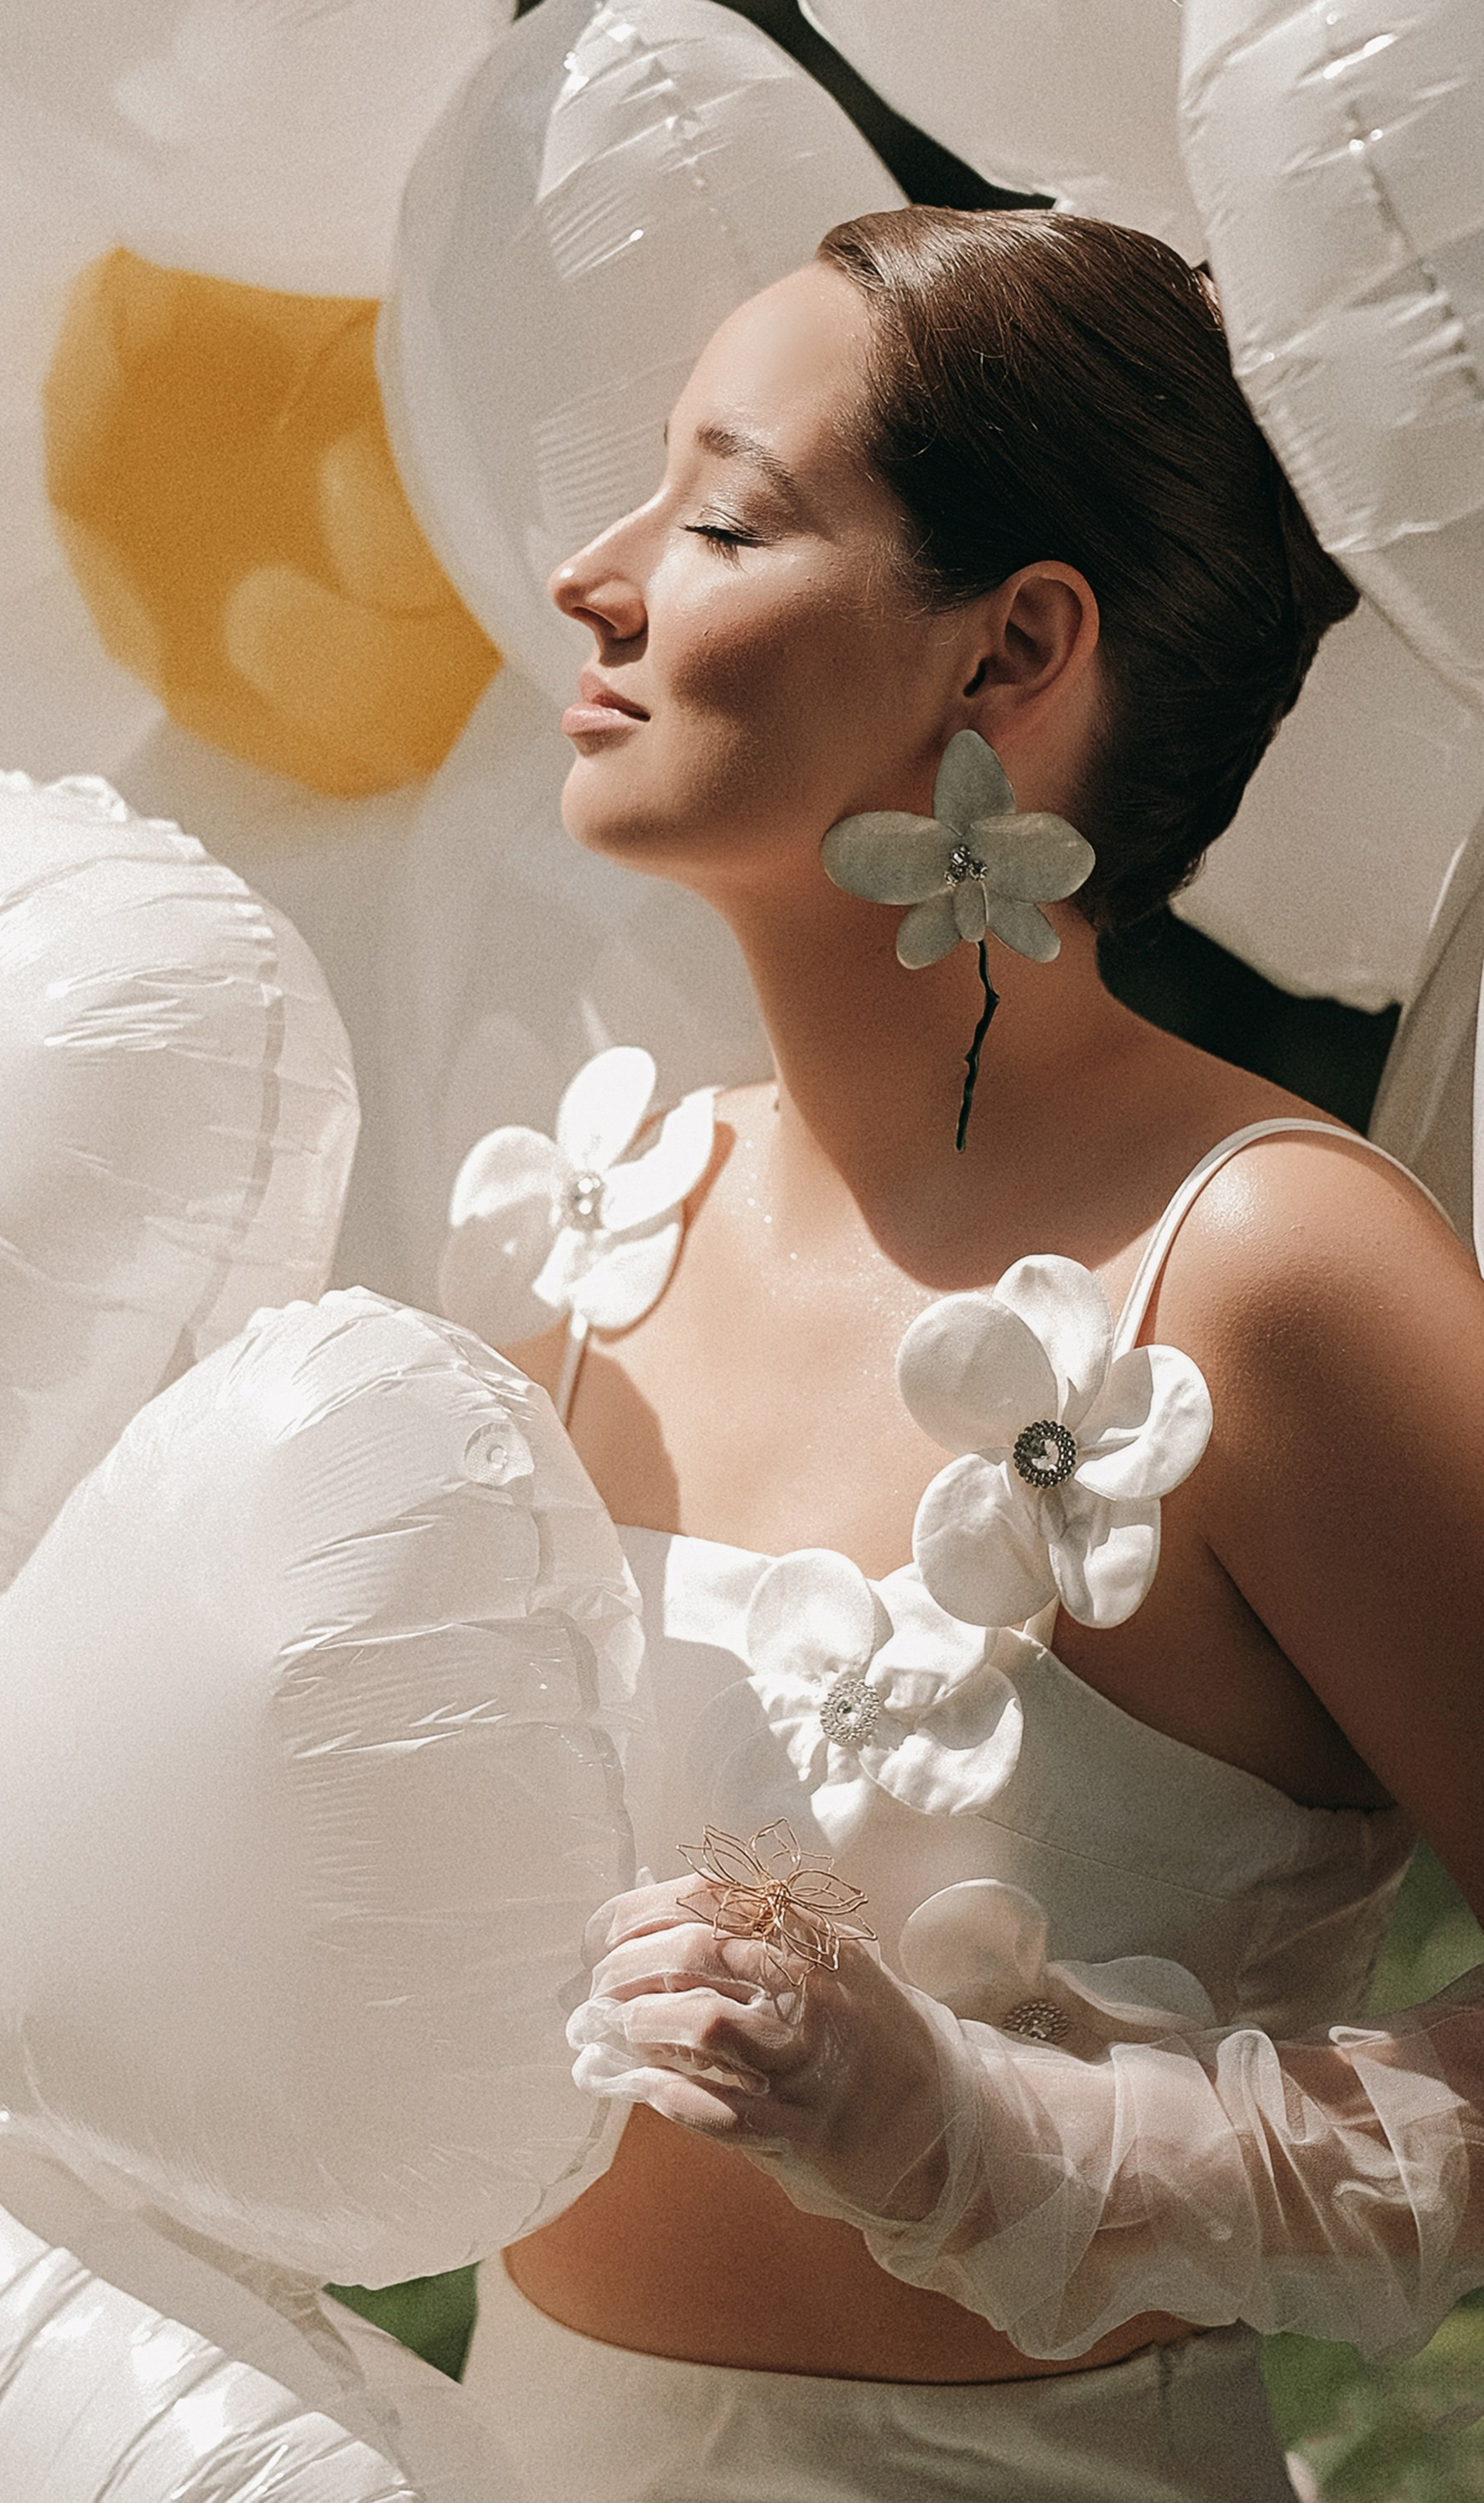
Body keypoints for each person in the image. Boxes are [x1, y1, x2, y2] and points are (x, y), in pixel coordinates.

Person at [450, 205, 1484, 2501]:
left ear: (1010, 652)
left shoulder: (1276, 1281)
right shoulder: (599, 1214)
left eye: (717, 514)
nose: (592, 577)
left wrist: (993, 2140)